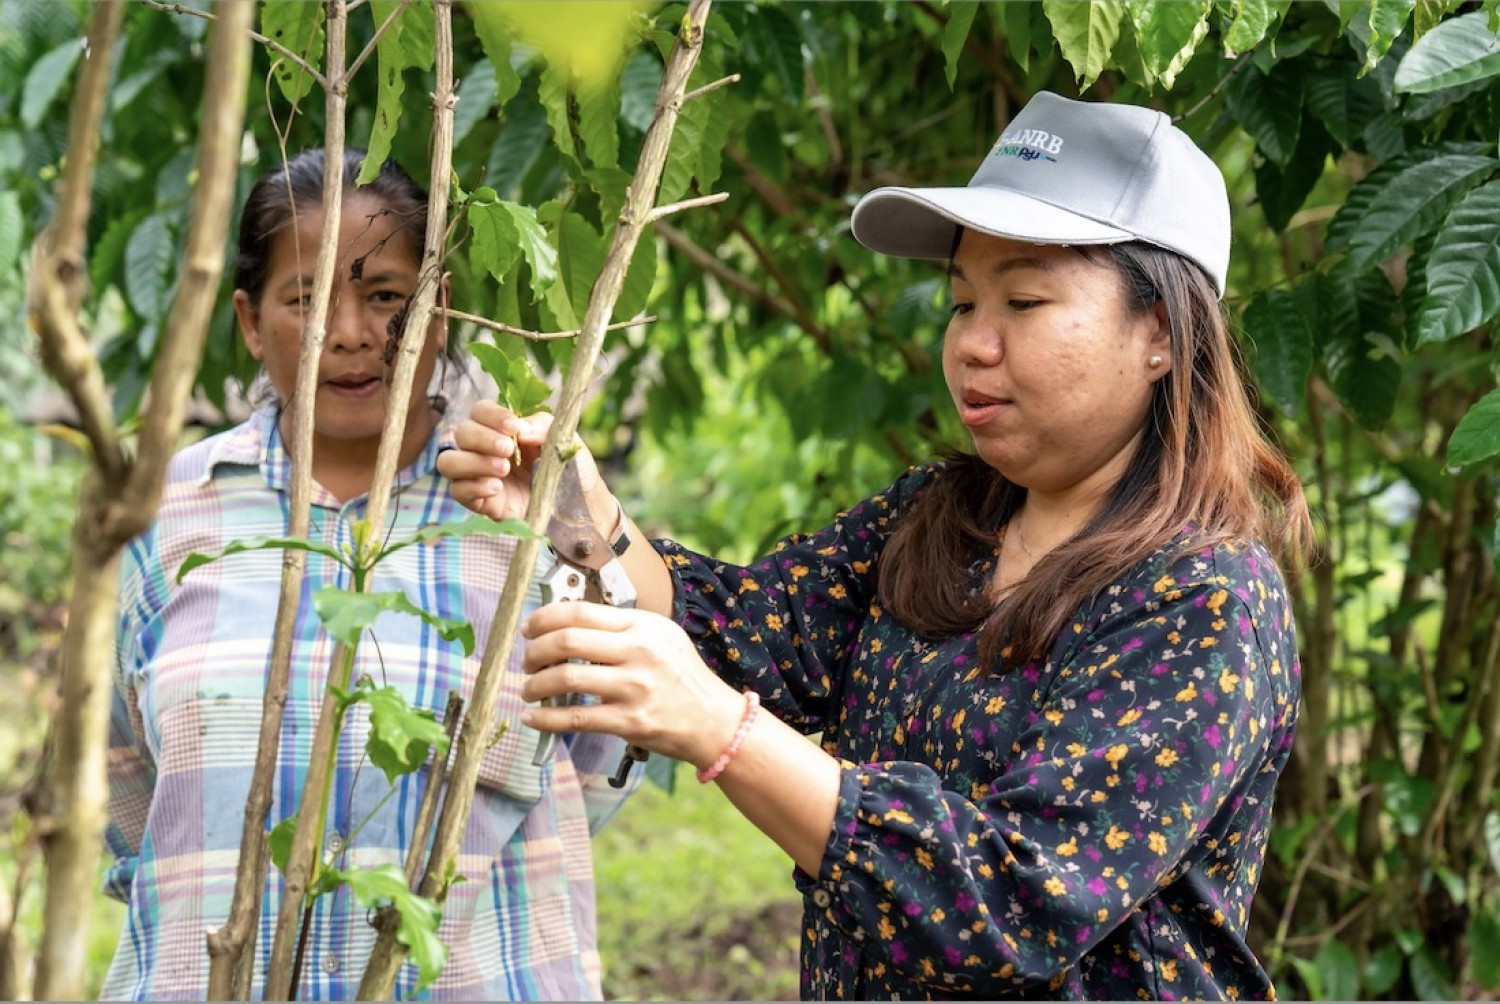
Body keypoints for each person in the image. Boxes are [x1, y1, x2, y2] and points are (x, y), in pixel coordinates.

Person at [440, 90, 1314, 1000]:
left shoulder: (1202, 598)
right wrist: (580, 518)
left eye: (1022, 300)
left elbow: (1017, 900)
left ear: (1161, 332)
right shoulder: (944, 515)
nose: (972, 343)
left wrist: (724, 732)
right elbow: (750, 636)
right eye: (963, 302)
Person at [103, 147, 636, 1001]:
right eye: (307, 299)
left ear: (440, 310)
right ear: (250, 321)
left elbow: (603, 754)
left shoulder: (525, 508)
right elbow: (123, 787)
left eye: (388, 297)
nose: (351, 332)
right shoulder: (162, 515)